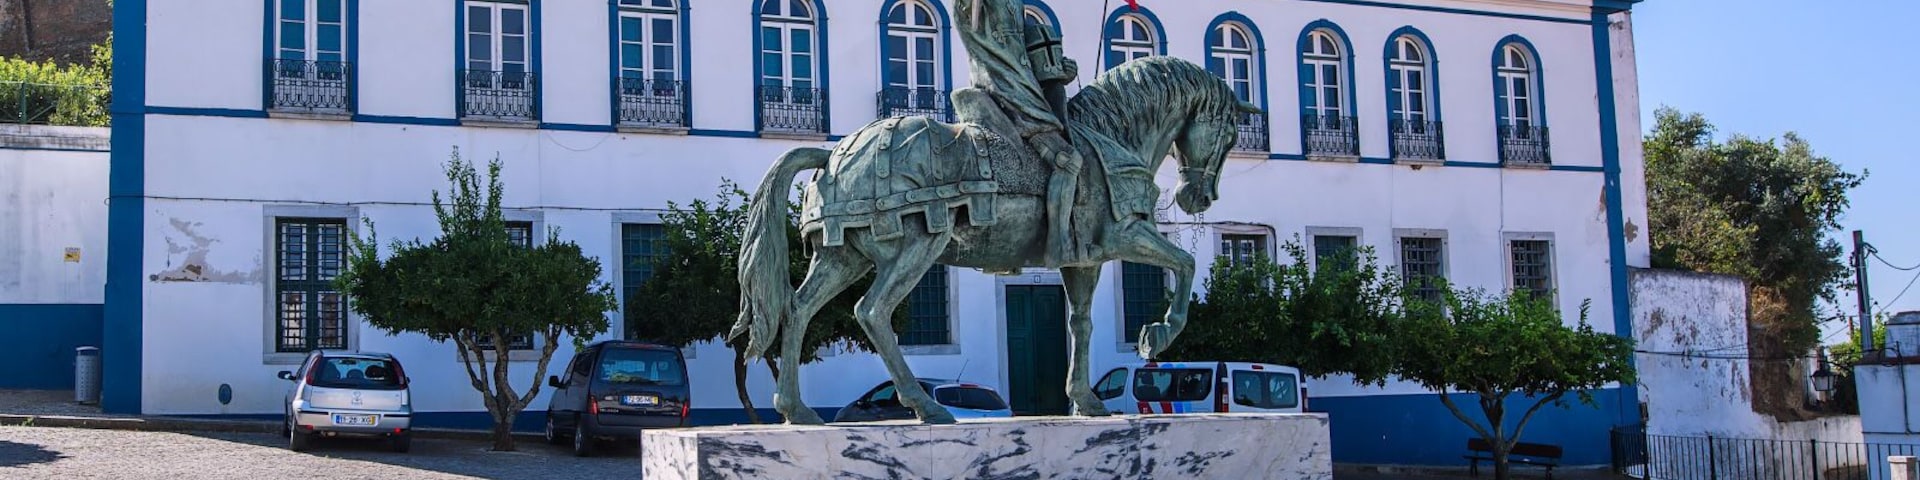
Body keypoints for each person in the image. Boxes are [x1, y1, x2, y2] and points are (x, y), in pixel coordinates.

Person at [952, 0, 1086, 267]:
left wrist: (1059, 71)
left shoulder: (1015, 7)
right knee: (1068, 161)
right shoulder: (976, 7)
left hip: (1024, 94)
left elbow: (1031, 58)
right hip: (1010, 98)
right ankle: (1058, 245)